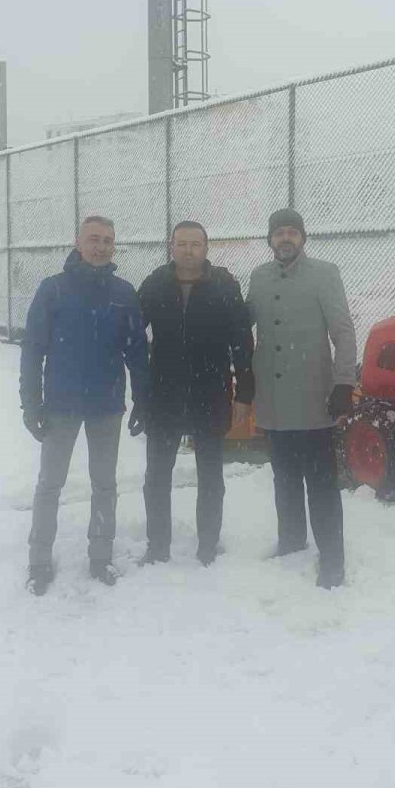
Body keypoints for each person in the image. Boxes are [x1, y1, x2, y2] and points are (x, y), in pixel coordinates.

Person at [19, 216, 148, 595]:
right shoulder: (54, 290)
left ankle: (100, 556)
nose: (101, 246)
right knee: (50, 484)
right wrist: (31, 403)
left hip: (106, 406)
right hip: (60, 406)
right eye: (93, 239)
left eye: (108, 240)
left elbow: (137, 351)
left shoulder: (123, 293)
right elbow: (33, 350)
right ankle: (39, 561)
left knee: (105, 484)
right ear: (77, 242)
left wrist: (141, 398)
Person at [246, 208, 357, 589]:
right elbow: (245, 325)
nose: (286, 239)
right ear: (270, 240)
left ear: (303, 238)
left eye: (292, 232)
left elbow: (343, 331)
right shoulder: (259, 277)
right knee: (284, 476)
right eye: (279, 233)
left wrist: (344, 383)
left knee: (322, 481)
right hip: (274, 399)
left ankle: (332, 558)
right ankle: (291, 540)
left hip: (313, 397)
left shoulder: (325, 273)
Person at [138, 221, 254, 565]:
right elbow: (131, 333)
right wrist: (142, 384)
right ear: (171, 246)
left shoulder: (223, 284)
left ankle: (207, 545)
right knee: (156, 475)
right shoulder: (156, 283)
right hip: (165, 394)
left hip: (211, 392)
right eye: (182, 243)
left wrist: (245, 392)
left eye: (195, 244)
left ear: (206, 247)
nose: (188, 250)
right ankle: (157, 545)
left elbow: (241, 341)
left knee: (210, 475)